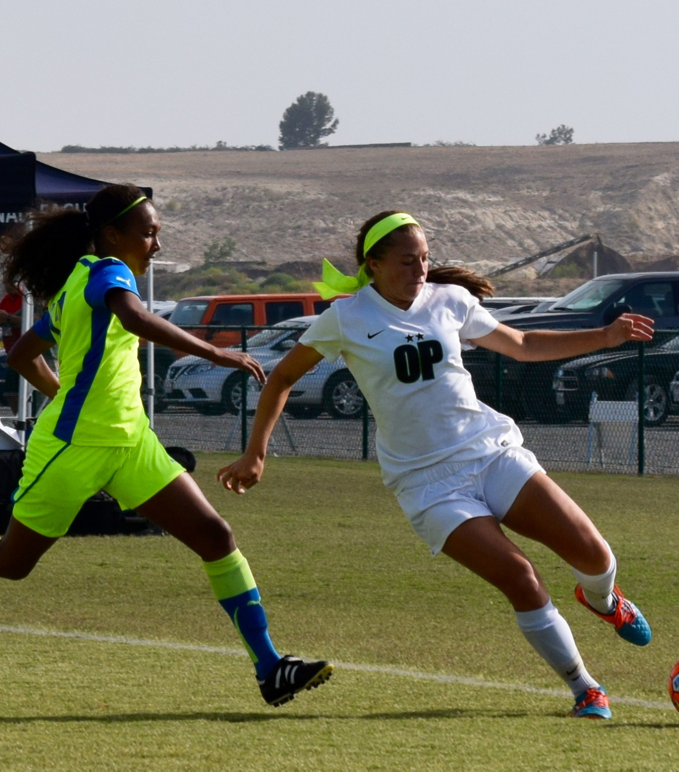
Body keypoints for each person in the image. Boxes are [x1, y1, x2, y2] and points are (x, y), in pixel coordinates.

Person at [0, 184, 333, 707]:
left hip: (131, 442)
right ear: (111, 235)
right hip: (74, 446)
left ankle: (270, 668)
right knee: (13, 563)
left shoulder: (76, 284)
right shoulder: (108, 272)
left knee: (215, 536)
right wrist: (215, 353)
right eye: (148, 232)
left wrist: (68, 393)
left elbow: (21, 355)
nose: (156, 244)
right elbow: (133, 319)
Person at [218, 211, 655, 719]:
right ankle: (586, 689)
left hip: (489, 453)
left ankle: (603, 600)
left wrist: (604, 336)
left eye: (425, 258)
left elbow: (523, 345)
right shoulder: (347, 317)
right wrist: (256, 453)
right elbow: (281, 378)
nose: (420, 269)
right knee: (520, 576)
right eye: (407, 261)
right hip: (427, 485)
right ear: (373, 265)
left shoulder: (450, 301)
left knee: (593, 553)